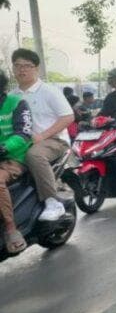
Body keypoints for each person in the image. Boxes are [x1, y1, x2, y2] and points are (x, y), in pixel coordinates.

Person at [10, 48, 73, 221]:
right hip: (20, 142)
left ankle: (52, 202)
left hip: (53, 140)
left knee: (34, 155)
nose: (22, 69)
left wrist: (42, 136)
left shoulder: (49, 91)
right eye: (17, 65)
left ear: (36, 68)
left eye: (27, 66)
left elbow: (68, 117)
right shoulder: (11, 96)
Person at [0, 71, 34, 254]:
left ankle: (11, 229)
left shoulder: (17, 103)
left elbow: (24, 133)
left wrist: (5, 147)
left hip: (14, 157)